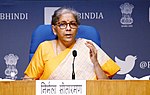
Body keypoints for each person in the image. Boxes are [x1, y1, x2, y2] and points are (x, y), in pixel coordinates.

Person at [23, 7, 120, 80]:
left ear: (77, 28)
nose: (68, 28)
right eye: (63, 24)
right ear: (54, 29)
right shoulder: (44, 47)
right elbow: (28, 80)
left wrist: (95, 63)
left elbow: (106, 86)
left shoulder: (88, 46)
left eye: (73, 24)